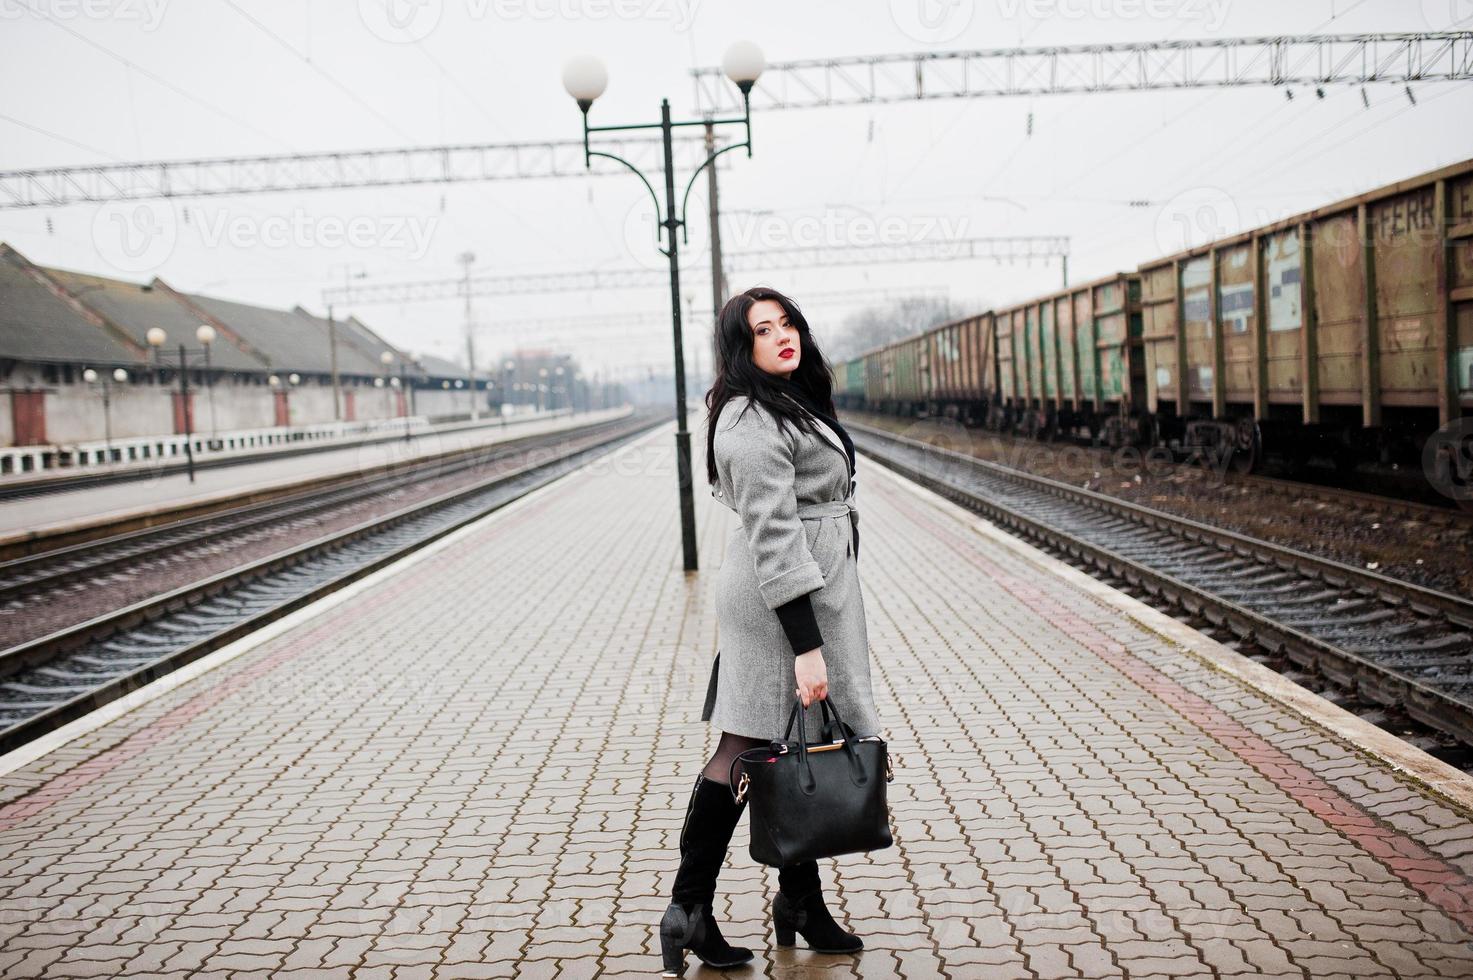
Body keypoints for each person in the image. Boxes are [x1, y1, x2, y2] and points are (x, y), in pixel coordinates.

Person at [659, 286, 882, 976]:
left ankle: (799, 905)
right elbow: (776, 537)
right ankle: (688, 908)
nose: (782, 335)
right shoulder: (749, 421)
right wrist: (807, 645)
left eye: (787, 321)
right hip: (780, 600)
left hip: (807, 588)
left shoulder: (782, 401)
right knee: (746, 747)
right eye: (763, 329)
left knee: (795, 742)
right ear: (740, 345)